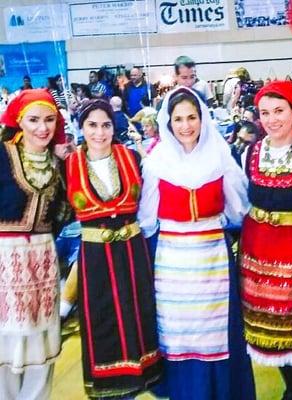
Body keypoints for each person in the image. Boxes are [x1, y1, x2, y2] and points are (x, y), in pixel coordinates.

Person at [138, 86, 255, 400]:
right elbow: (148, 219)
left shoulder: (220, 158)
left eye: (192, 117)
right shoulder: (156, 162)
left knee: (216, 334)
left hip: (212, 260)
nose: (186, 125)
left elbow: (237, 211)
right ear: (168, 122)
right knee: (177, 333)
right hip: (172, 263)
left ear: (203, 119)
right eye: (179, 119)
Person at [65, 99, 162, 399]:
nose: (99, 132)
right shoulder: (68, 165)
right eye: (92, 125)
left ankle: (144, 375)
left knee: (138, 312)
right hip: (95, 258)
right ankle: (111, 384)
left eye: (105, 125)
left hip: (132, 252)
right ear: (81, 128)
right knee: (102, 318)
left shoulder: (133, 157)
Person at [239, 81, 292, 400]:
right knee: (263, 319)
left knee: (291, 319)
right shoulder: (251, 151)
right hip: (256, 246)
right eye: (265, 113)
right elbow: (240, 197)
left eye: (279, 111)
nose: (272, 119)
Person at [0, 88, 69, 399]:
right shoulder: (2, 155)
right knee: (7, 339)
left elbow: (65, 215)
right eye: (34, 120)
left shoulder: (59, 165)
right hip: (5, 262)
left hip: (43, 261)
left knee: (41, 340)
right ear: (19, 122)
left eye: (49, 120)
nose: (43, 128)